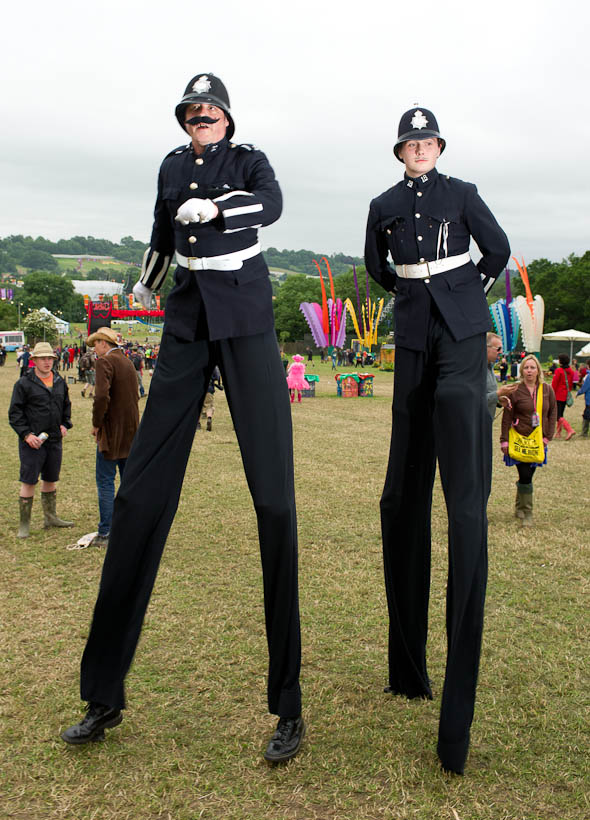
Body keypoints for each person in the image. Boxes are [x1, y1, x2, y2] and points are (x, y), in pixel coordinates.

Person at [61, 73, 304, 763]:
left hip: (249, 319)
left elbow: (270, 206)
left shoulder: (250, 159)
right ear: (185, 121)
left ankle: (289, 706)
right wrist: (141, 286)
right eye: (191, 113)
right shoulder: (172, 165)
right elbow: (162, 236)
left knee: (274, 504)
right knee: (139, 493)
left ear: (225, 118)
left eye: (210, 112)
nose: (200, 120)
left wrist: (217, 209)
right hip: (191, 318)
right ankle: (103, 693)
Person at [365, 106, 510, 774]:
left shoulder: (464, 195)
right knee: (402, 492)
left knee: (457, 403)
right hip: (414, 324)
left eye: (428, 141)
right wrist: (417, 293)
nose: (419, 149)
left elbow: (498, 249)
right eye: (410, 143)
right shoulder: (385, 204)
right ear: (400, 152)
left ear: (438, 147)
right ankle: (408, 668)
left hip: (460, 319)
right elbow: (378, 267)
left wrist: (464, 293)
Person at [8, 342, 73, 538]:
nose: (47, 362)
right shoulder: (24, 383)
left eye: (50, 358)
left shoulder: (60, 381)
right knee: (29, 480)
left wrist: (65, 424)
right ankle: (24, 524)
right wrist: (27, 435)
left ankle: (50, 517)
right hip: (32, 441)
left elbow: (65, 406)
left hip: (54, 439)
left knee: (51, 478)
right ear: (34, 360)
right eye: (43, 358)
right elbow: (15, 414)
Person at [87, 327, 139, 548]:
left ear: (104, 344)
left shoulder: (104, 362)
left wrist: (97, 423)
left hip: (112, 432)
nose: (94, 349)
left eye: (96, 344)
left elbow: (101, 397)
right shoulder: (126, 361)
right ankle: (132, 526)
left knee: (106, 481)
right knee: (129, 481)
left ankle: (106, 531)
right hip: (131, 431)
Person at [500, 354, 557, 525]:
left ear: (538, 370)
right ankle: (527, 512)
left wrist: (548, 436)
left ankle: (519, 506)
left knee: (528, 474)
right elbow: (507, 416)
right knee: (525, 474)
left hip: (539, 439)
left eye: (532, 367)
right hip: (519, 438)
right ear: (521, 370)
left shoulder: (547, 390)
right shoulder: (515, 390)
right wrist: (504, 440)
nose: (529, 371)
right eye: (526, 367)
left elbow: (553, 412)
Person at [486, 333, 518, 419]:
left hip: (485, 423)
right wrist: (498, 393)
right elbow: (471, 402)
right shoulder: (475, 370)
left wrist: (498, 400)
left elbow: (486, 395)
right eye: (498, 348)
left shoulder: (489, 367)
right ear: (486, 348)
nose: (501, 352)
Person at [551, 353, 576, 440]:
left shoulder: (559, 371)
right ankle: (558, 433)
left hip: (558, 395)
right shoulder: (571, 371)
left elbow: (554, 384)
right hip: (566, 396)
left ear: (561, 361)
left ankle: (569, 429)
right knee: (560, 414)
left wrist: (551, 393)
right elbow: (571, 384)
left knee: (557, 416)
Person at [200, 364, 222, 430]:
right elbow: (217, 376)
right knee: (209, 406)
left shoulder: (197, 363)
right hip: (209, 388)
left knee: (198, 406)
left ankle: (198, 424)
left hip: (198, 388)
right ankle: (209, 418)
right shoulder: (213, 366)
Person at [577, 360, 590, 437]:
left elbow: (585, 387)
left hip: (589, 400)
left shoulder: (589, 376)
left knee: (586, 416)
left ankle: (584, 433)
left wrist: (579, 392)